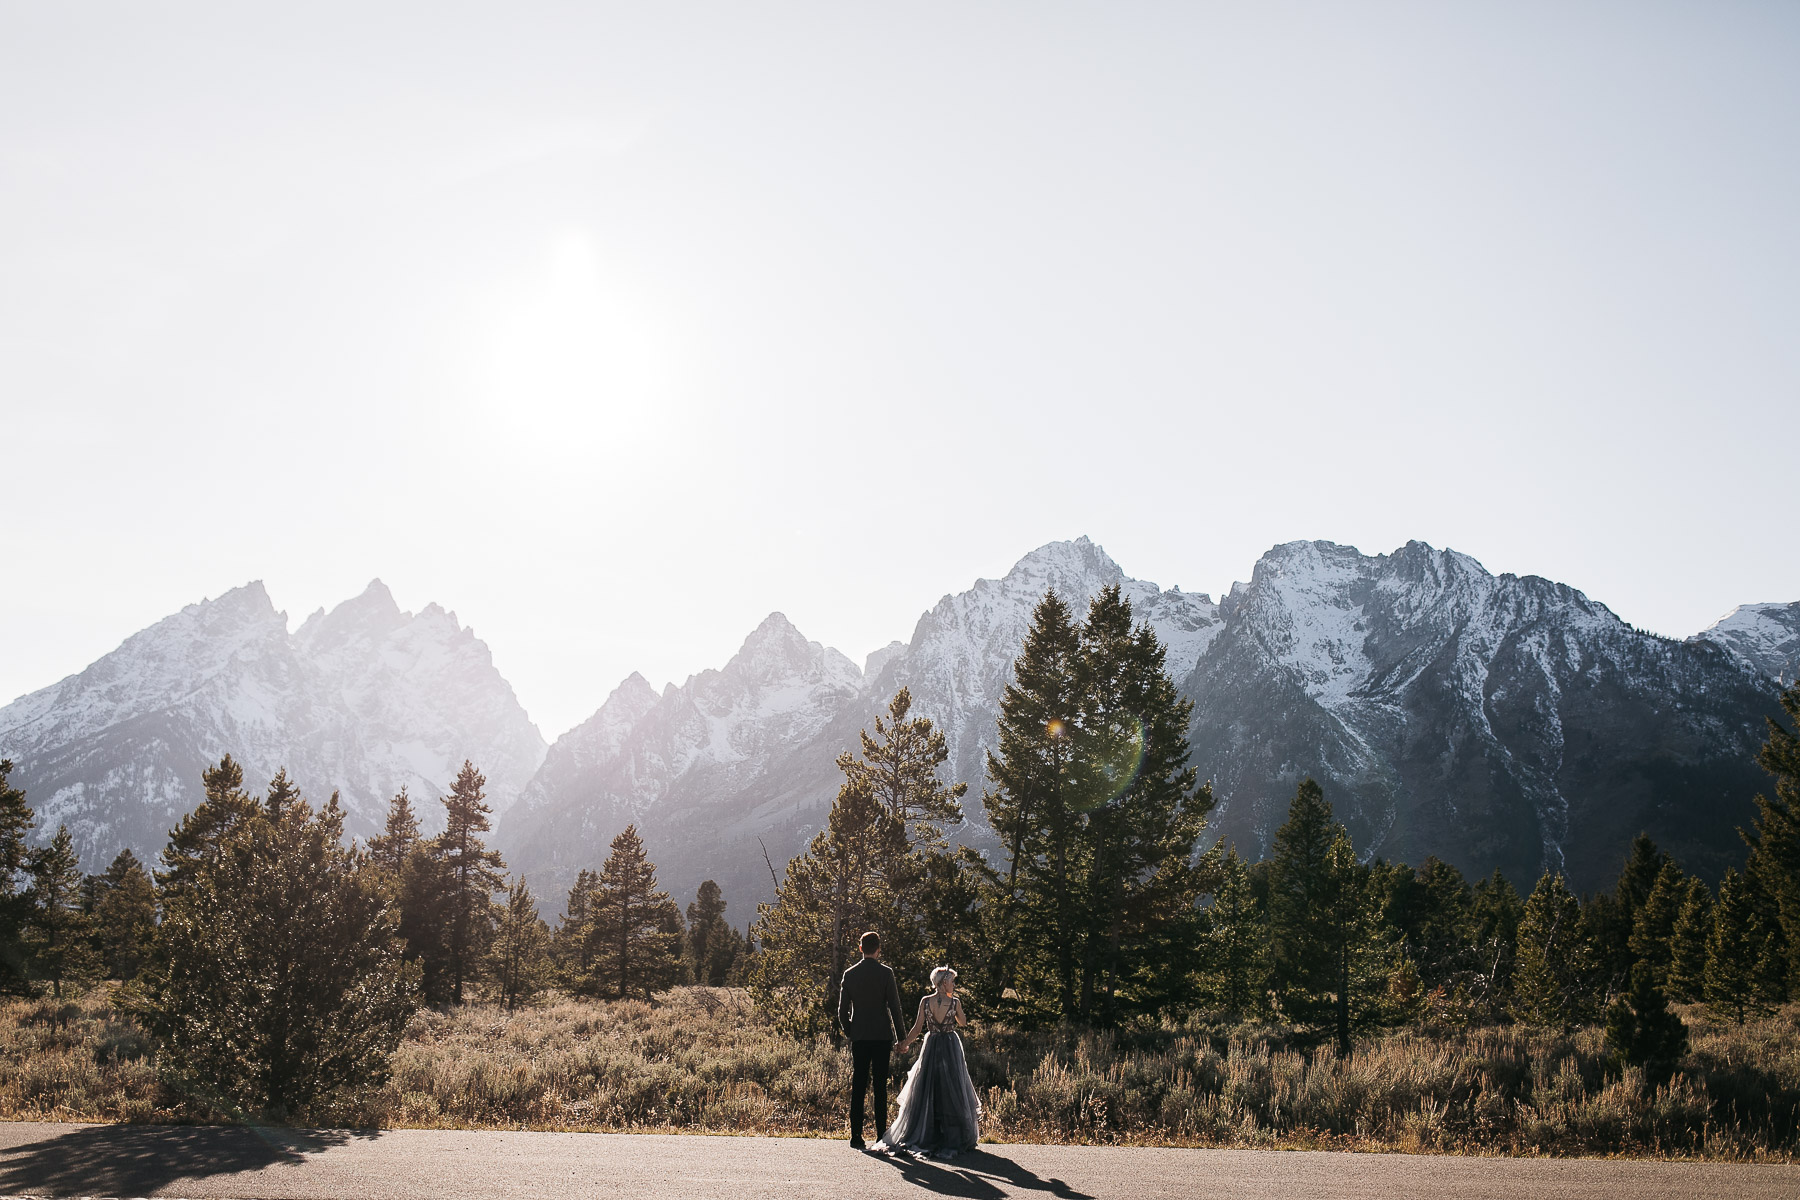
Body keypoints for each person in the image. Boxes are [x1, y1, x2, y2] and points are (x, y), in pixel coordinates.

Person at [877, 966, 981, 1158]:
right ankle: (948, 1134)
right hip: (950, 1045)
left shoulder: (925, 1001)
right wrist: (957, 1009)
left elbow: (917, 1029)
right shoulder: (955, 1002)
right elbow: (963, 1022)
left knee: (928, 1086)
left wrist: (904, 1043)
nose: (954, 984)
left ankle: (928, 1132)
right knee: (951, 1088)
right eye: (952, 981)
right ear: (943, 982)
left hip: (932, 1043)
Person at [837, 930, 907, 1150]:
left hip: (860, 1037)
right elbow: (895, 1008)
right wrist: (901, 1039)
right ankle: (880, 1136)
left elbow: (841, 1011)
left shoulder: (850, 974)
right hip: (881, 1037)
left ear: (860, 948)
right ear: (879, 949)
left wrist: (851, 1031)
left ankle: (856, 1136)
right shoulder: (886, 973)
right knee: (879, 1086)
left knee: (858, 1085)